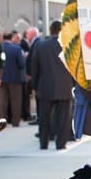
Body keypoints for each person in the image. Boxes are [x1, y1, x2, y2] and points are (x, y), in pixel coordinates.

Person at [29, 21, 74, 150]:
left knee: (44, 118)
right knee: (63, 118)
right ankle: (61, 143)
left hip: (45, 86)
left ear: (50, 30)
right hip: (65, 87)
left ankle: (44, 143)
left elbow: (34, 68)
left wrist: (35, 86)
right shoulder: (69, 46)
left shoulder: (41, 46)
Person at [0, 32, 26, 126]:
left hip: (1, 78)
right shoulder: (16, 48)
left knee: (3, 101)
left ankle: (3, 121)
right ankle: (15, 121)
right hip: (15, 78)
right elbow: (21, 64)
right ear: (12, 38)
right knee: (16, 101)